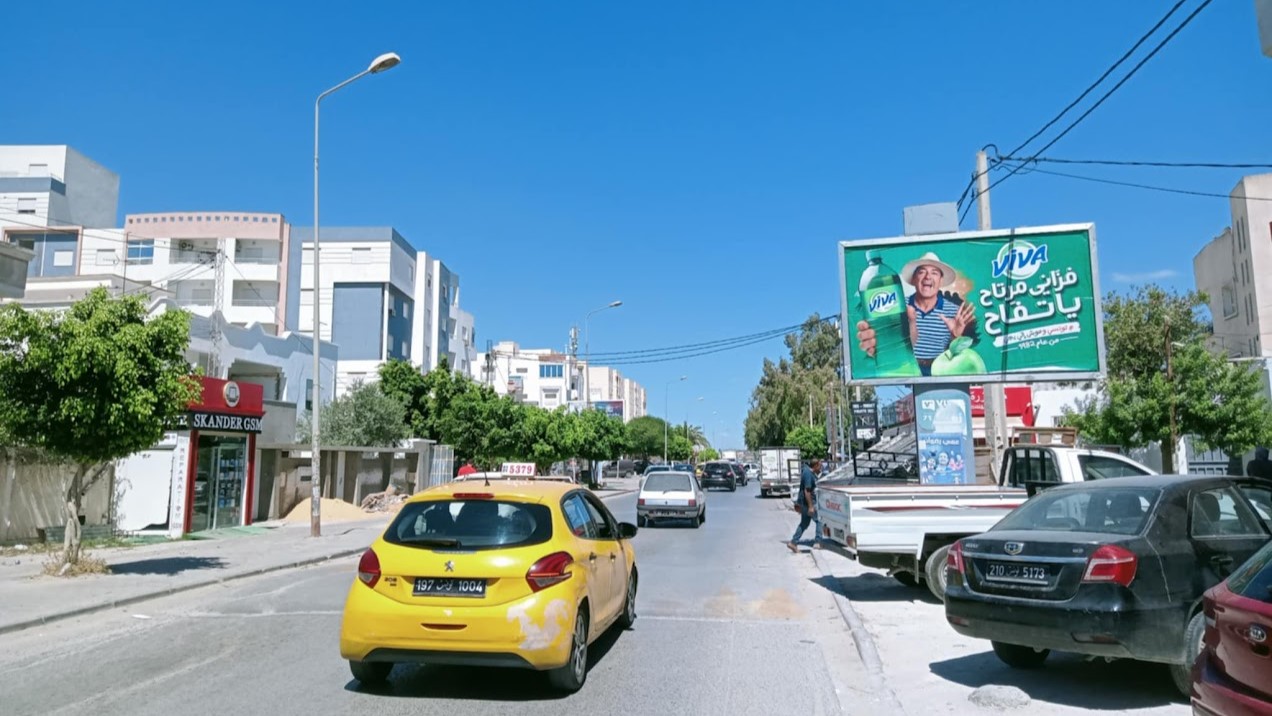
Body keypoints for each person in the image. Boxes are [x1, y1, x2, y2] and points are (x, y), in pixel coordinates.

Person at [856, 252, 977, 376]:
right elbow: (894, 341)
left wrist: (956, 336)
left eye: (934, 273)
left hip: (941, 372)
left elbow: (959, 358)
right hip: (908, 371)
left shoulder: (955, 312)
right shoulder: (899, 306)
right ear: (913, 279)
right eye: (922, 272)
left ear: (941, 281)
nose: (928, 277)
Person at [787, 458, 823, 553]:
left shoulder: (807, 472)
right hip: (808, 503)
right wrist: (811, 506)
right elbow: (807, 491)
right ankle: (817, 542)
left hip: (805, 503)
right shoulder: (808, 475)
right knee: (819, 520)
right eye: (820, 466)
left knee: (804, 523)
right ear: (815, 466)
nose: (821, 468)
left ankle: (793, 543)